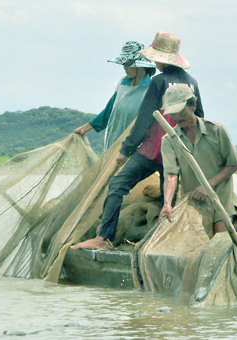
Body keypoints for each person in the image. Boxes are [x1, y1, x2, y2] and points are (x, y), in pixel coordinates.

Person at [72, 32, 203, 250]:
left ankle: (103, 238)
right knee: (167, 199)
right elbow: (200, 117)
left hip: (152, 151)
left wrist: (126, 150)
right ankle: (164, 243)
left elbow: (144, 119)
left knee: (117, 185)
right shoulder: (192, 83)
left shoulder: (158, 81)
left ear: (162, 58)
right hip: (179, 152)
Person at [158, 84, 237, 234]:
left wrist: (207, 186)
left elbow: (234, 163)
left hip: (220, 198)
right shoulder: (169, 139)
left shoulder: (216, 130)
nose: (177, 117)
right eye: (173, 113)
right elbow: (171, 174)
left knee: (219, 242)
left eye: (180, 111)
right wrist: (167, 204)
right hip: (194, 201)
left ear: (193, 105)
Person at [74, 41, 156, 151]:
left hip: (133, 149)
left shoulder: (150, 90)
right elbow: (109, 111)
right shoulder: (123, 84)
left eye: (128, 64)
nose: (124, 68)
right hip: (112, 144)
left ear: (140, 66)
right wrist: (85, 128)